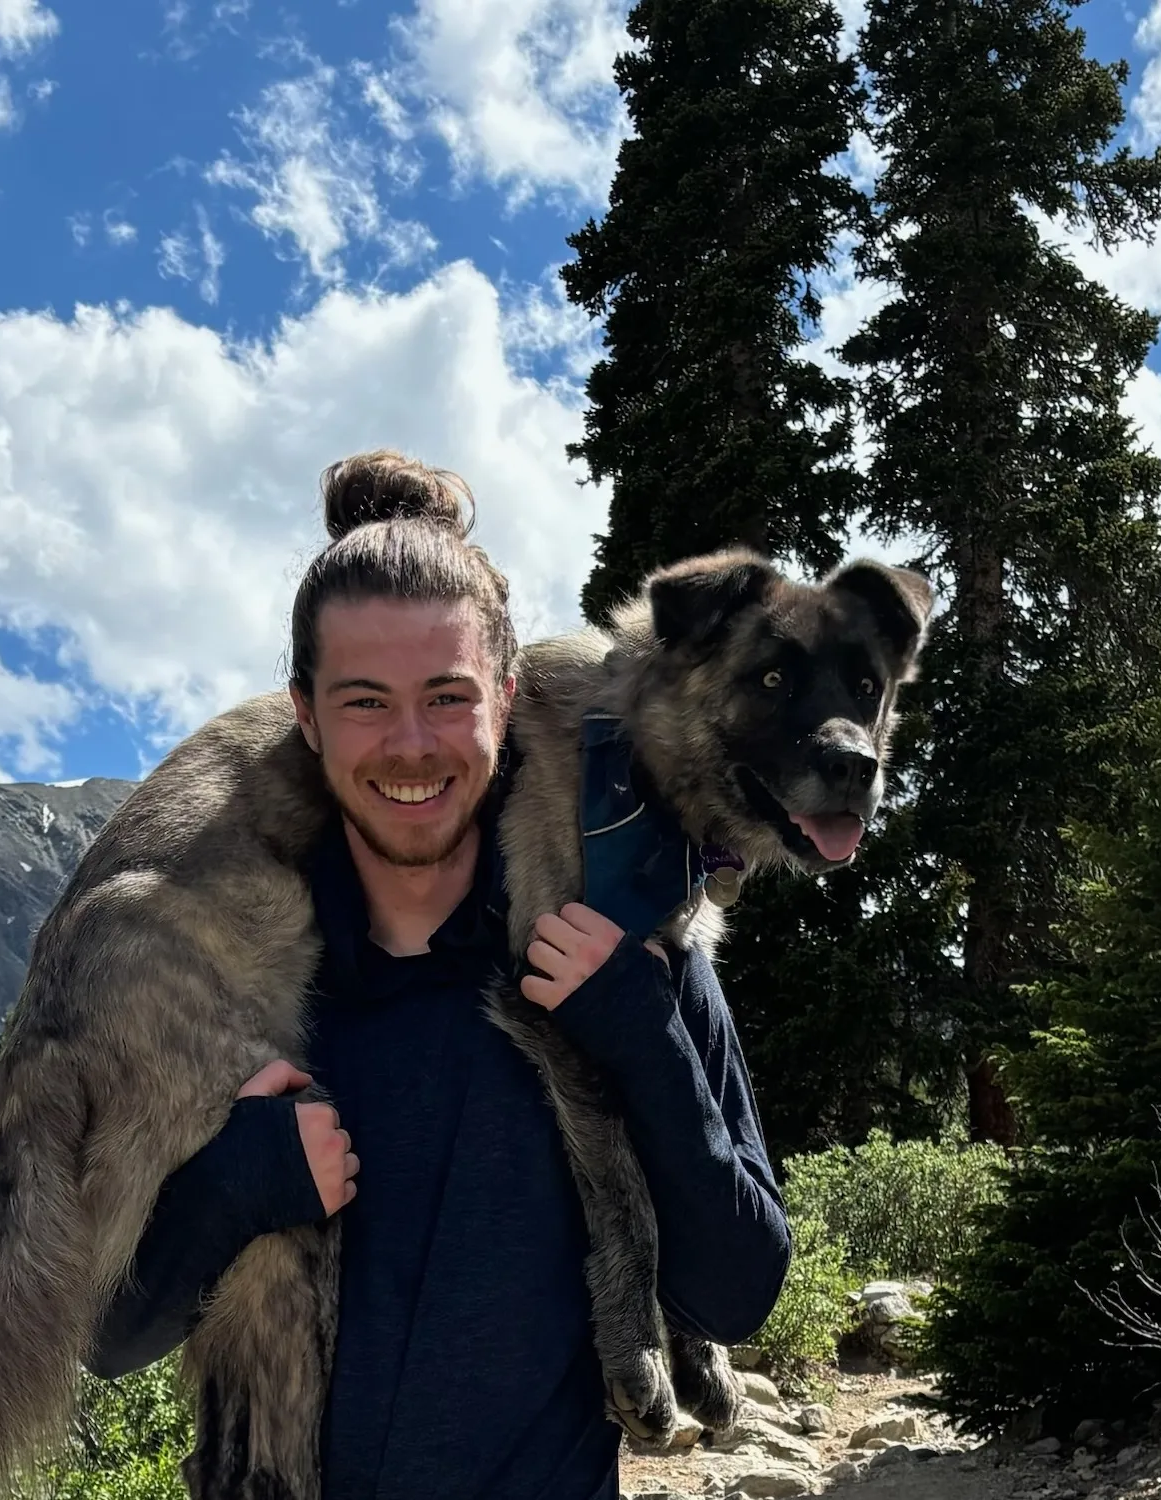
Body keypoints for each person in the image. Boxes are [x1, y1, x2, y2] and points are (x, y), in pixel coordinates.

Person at [87, 451, 791, 1500]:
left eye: (448, 697)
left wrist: (641, 1028)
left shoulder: (621, 944)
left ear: (507, 700)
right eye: (365, 701)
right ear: (306, 714)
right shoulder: (228, 983)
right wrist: (235, 1183)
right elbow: (106, 1333)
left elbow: (737, 1291)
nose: (411, 746)